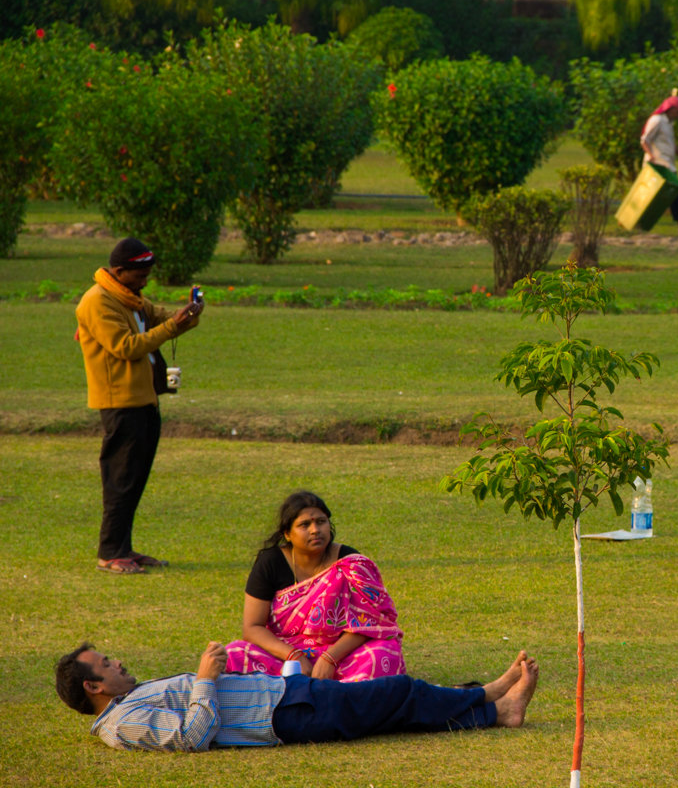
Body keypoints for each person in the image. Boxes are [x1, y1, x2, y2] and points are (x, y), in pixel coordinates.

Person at [55, 642, 537, 752]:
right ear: (93, 688)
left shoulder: (131, 700)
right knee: (398, 691)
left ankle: (490, 704)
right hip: (286, 714)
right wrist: (204, 677)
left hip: (285, 695)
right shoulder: (122, 724)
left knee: (391, 708)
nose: (116, 662)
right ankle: (495, 705)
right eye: (105, 664)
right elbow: (192, 737)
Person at [76, 237, 203, 575]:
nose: (146, 280)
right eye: (140, 274)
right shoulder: (97, 302)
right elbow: (127, 347)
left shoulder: (130, 298)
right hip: (120, 401)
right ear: (119, 271)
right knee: (120, 478)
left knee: (135, 477)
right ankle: (109, 552)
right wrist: (172, 325)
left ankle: (124, 548)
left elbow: (162, 321)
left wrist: (187, 316)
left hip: (144, 397)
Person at [224, 491, 405, 682]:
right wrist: (294, 656)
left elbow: (371, 622)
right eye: (304, 524)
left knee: (384, 652)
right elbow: (252, 627)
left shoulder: (349, 562)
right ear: (288, 533)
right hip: (284, 653)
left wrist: (330, 658)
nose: (315, 530)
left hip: (341, 653)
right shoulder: (271, 562)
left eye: (321, 521)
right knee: (234, 653)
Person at [640, 94, 678, 234]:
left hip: (668, 164)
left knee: (673, 195)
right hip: (657, 164)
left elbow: (671, 144)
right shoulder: (656, 120)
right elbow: (644, 140)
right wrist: (651, 156)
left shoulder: (669, 124)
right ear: (670, 109)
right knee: (654, 195)